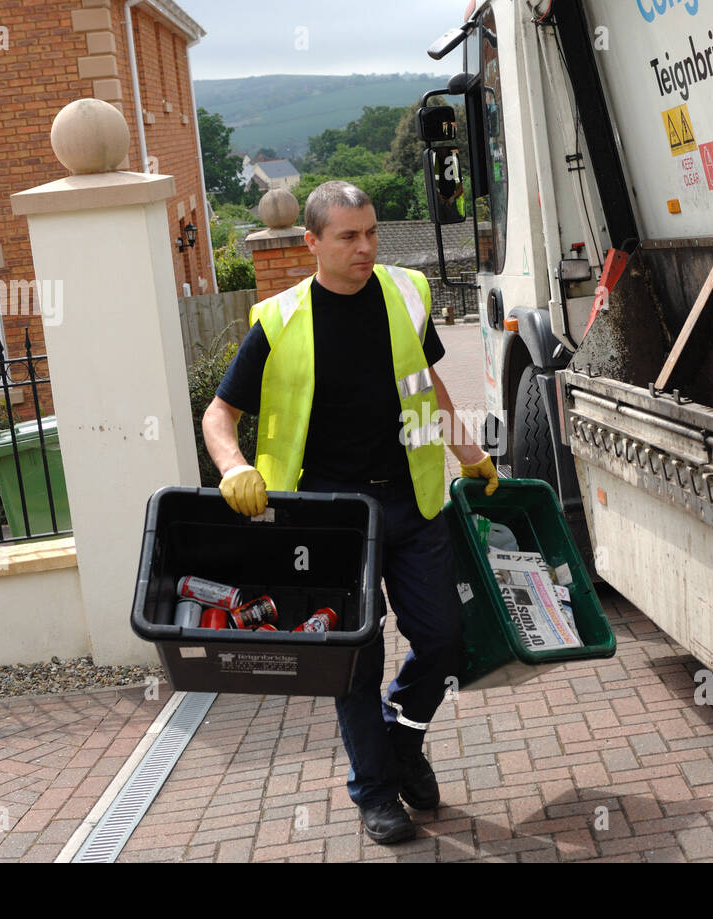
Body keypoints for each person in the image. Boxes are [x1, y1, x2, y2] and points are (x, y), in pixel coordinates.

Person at [200, 181, 498, 845]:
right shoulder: (278, 322)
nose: (365, 247)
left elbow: (427, 383)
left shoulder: (405, 294)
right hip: (330, 517)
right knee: (354, 660)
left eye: (370, 233)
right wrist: (234, 467)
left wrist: (471, 454)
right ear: (312, 243)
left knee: (446, 639)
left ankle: (404, 736)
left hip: (411, 497)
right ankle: (376, 790)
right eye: (347, 237)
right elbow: (219, 416)